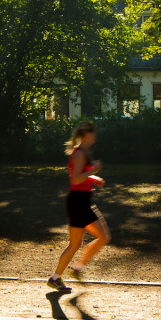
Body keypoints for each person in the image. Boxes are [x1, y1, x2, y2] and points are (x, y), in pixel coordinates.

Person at [47, 121, 111, 293]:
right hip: (79, 202)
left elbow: (79, 178)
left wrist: (93, 179)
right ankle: (75, 269)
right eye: (93, 133)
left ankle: (57, 277)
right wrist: (93, 170)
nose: (95, 135)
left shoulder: (82, 152)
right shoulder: (80, 154)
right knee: (102, 237)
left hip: (81, 200)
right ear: (86, 134)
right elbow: (75, 179)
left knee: (76, 244)